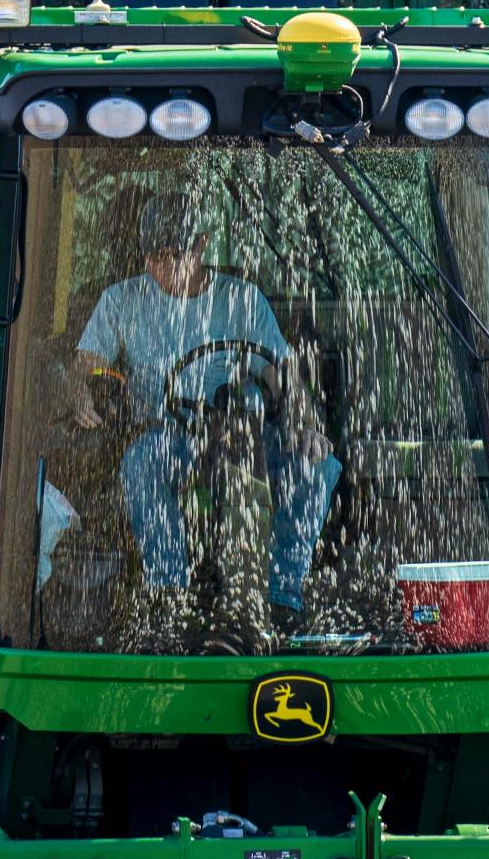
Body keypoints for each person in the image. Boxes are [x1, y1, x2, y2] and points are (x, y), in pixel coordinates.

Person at [63, 225, 339, 615]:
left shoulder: (242, 298)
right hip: (169, 434)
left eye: (178, 254)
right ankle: (169, 597)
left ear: (202, 245)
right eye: (156, 257)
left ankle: (281, 596)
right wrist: (81, 393)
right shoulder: (121, 300)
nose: (167, 266)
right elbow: (85, 366)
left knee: (316, 465)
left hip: (245, 432)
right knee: (139, 464)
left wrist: (306, 426)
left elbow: (285, 376)